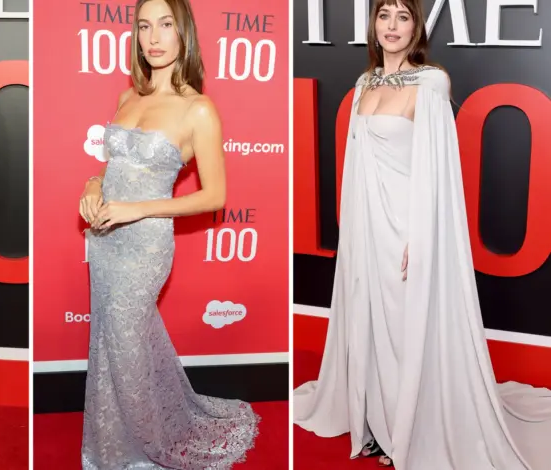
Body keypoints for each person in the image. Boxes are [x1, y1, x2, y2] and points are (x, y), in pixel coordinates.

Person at [293, 1, 551, 469]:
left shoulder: (432, 82)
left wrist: (422, 234)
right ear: (373, 24)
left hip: (408, 227)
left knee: (405, 327)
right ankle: (375, 421)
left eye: (403, 16)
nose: (392, 26)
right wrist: (352, 229)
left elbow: (438, 169)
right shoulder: (365, 82)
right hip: (367, 227)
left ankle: (408, 430)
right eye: (384, 15)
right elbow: (356, 167)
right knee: (370, 322)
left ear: (416, 28)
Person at [77, 0, 260, 467]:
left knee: (127, 343)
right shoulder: (127, 97)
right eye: (144, 26)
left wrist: (136, 209)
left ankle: (146, 448)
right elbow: (113, 166)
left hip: (145, 246)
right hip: (105, 239)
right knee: (110, 341)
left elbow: (214, 196)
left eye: (165, 25)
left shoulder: (198, 109)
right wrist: (93, 185)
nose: (153, 37)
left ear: (183, 34)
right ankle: (113, 444)